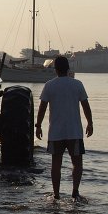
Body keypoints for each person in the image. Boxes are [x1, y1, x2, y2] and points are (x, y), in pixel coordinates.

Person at [35, 56, 93, 200]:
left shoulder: (49, 85)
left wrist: (38, 125)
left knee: (56, 163)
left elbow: (42, 108)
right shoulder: (77, 84)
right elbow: (86, 106)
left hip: (56, 132)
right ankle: (75, 191)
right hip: (74, 131)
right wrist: (90, 123)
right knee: (77, 162)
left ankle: (56, 194)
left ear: (55, 69)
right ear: (68, 69)